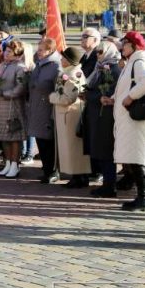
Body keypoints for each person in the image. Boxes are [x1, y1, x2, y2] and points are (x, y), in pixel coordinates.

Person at [113, 31, 145, 211]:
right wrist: (113, 98)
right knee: (131, 156)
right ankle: (141, 195)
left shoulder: (139, 61)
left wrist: (130, 97)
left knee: (136, 156)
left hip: (134, 119)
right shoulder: (132, 61)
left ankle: (144, 196)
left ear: (134, 45)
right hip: (127, 118)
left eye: (125, 43)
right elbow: (127, 85)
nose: (122, 46)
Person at [84, 41, 122, 197]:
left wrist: (90, 95)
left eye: (100, 52)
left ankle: (109, 185)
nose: (98, 54)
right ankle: (107, 183)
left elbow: (109, 93)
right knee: (99, 150)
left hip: (105, 115)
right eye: (97, 52)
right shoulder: (99, 68)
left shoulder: (113, 69)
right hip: (96, 113)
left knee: (106, 150)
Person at [50, 46, 91, 187]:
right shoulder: (68, 72)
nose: (61, 60)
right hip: (66, 115)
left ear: (70, 61)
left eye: (64, 58)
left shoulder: (73, 74)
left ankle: (79, 175)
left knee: (73, 147)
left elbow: (68, 98)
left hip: (70, 114)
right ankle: (77, 175)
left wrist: (52, 97)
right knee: (69, 147)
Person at [27, 37, 62, 183]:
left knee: (50, 142)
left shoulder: (56, 66)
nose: (38, 52)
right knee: (40, 140)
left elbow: (58, 88)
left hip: (48, 108)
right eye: (38, 49)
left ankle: (54, 171)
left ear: (50, 50)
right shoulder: (39, 64)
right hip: (36, 107)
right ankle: (46, 169)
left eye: (41, 50)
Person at [0, 40, 28, 178]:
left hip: (13, 106)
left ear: (17, 53)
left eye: (9, 52)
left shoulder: (20, 67)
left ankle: (15, 165)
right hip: (0, 106)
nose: (6, 54)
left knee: (14, 137)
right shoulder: (1, 65)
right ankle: (7, 163)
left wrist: (6, 94)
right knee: (4, 137)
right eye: (5, 51)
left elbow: (21, 88)